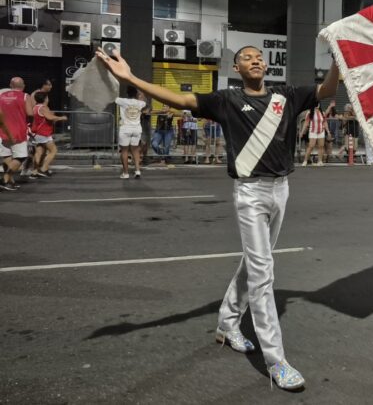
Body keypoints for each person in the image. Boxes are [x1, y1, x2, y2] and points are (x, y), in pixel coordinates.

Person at [97, 45, 339, 391]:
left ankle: (227, 324)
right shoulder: (227, 100)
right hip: (250, 194)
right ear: (237, 68)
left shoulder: (286, 95)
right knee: (262, 274)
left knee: (255, 263)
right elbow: (180, 99)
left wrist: (337, 61)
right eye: (247, 58)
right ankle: (276, 361)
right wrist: (131, 78)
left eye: (259, 57)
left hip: (281, 189)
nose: (256, 60)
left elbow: (327, 90)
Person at [0, 77, 34, 191]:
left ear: (10, 85)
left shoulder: (2, 95)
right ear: (23, 86)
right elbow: (30, 113)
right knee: (21, 157)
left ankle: (10, 182)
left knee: (7, 156)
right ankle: (5, 179)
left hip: (2, 131)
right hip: (18, 131)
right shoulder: (25, 96)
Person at [29, 92, 67, 178]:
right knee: (53, 150)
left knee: (39, 152)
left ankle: (34, 172)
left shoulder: (35, 107)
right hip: (44, 133)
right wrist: (61, 117)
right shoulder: (43, 107)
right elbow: (50, 118)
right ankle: (44, 169)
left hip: (36, 133)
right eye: (47, 98)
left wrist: (52, 115)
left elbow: (45, 117)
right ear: (45, 99)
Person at [114, 87, 147, 179]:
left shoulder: (122, 101)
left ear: (127, 94)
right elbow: (144, 100)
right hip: (137, 129)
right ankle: (137, 170)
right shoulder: (140, 103)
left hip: (125, 129)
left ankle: (125, 173)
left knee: (124, 151)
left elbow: (113, 97)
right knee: (135, 150)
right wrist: (141, 92)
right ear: (136, 94)